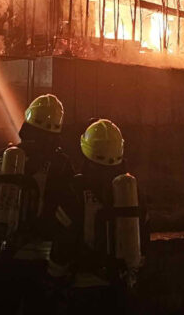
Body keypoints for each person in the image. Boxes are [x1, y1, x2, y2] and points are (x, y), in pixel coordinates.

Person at [0, 94, 76, 314]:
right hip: (40, 260)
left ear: (28, 121)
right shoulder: (61, 165)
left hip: (1, 255)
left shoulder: (2, 157)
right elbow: (68, 211)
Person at [65, 119, 148, 314]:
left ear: (87, 149)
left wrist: (53, 277)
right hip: (122, 288)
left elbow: (64, 239)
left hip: (84, 289)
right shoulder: (133, 191)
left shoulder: (77, 189)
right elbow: (144, 236)